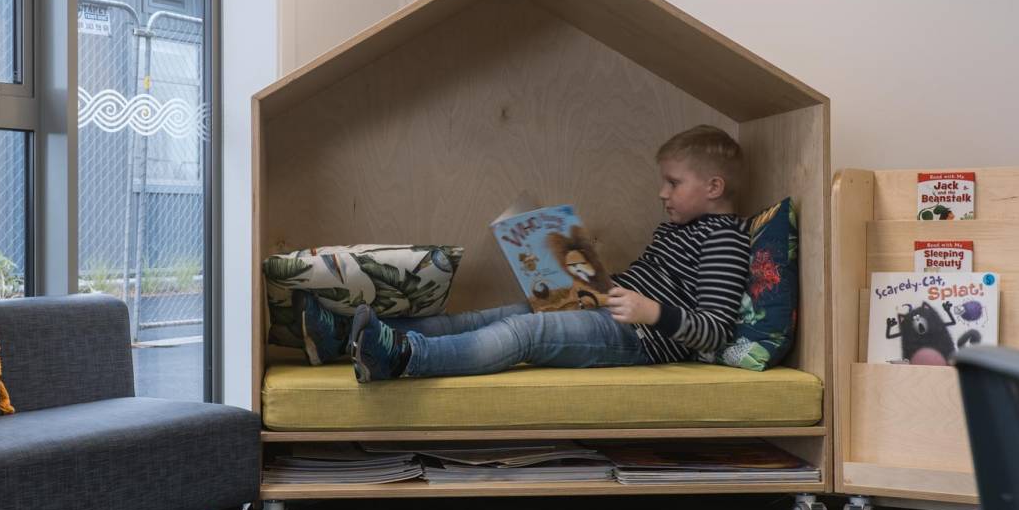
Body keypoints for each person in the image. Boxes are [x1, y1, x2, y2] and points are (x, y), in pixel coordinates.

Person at [295, 125, 752, 383]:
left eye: (673, 183)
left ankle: (403, 358)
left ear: (714, 187)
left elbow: (714, 330)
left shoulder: (724, 240)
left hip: (640, 340)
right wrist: (585, 277)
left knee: (523, 332)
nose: (661, 192)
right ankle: (341, 336)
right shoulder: (680, 227)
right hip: (604, 308)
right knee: (478, 318)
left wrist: (649, 311)